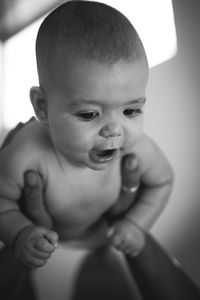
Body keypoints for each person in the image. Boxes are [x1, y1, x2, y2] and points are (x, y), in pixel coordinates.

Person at [0, 1, 174, 269]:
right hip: (45, 256)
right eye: (89, 114)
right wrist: (20, 232)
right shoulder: (27, 152)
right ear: (42, 107)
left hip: (101, 243)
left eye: (131, 110)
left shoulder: (134, 149)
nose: (115, 130)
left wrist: (136, 224)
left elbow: (162, 181)